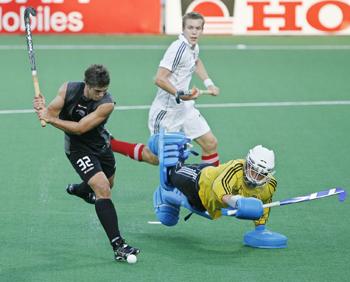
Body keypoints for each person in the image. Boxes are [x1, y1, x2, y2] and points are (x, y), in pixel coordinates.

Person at [33, 64, 140, 262]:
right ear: (87, 85)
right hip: (77, 149)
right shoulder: (68, 89)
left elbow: (81, 128)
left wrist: (49, 118)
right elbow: (52, 112)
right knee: (102, 189)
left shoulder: (107, 104)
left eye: (105, 90)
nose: (102, 94)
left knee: (108, 185)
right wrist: (43, 108)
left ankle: (81, 190)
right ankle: (119, 246)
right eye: (98, 91)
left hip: (102, 147)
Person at [148, 11, 220, 167]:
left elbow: (196, 62)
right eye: (190, 28)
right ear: (183, 29)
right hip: (167, 112)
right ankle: (116, 145)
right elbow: (159, 78)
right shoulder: (178, 48)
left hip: (184, 108)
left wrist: (209, 83)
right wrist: (179, 94)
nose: (194, 32)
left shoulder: (193, 47)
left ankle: (209, 187)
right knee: (158, 159)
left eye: (198, 28)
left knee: (210, 143)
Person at [155, 143, 277, 227]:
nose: (255, 177)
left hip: (209, 203)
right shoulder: (236, 168)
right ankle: (179, 151)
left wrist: (260, 228)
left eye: (261, 174)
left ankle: (177, 196)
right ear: (247, 164)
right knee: (172, 174)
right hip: (199, 179)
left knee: (198, 207)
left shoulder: (269, 185)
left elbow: (264, 205)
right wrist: (236, 201)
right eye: (253, 170)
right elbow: (219, 187)